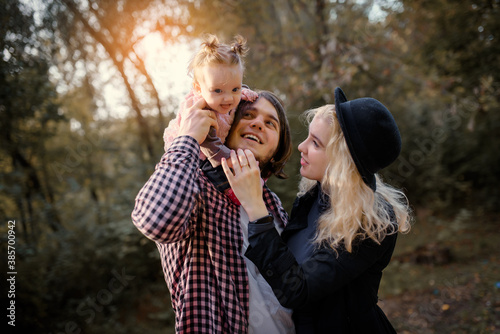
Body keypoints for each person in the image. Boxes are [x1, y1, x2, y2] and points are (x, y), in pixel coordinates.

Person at [222, 87, 413, 333]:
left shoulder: (371, 223)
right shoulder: (315, 197)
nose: (301, 147)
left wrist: (256, 208)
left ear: (341, 162)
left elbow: (296, 290)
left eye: (315, 143)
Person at [131, 91, 295, 333]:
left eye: (270, 123)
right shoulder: (194, 185)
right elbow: (155, 221)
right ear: (226, 125)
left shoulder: (273, 205)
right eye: (248, 115)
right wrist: (187, 138)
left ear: (278, 147)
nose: (258, 123)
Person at [163, 33, 258, 168]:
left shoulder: (224, 94)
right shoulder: (203, 113)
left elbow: (236, 88)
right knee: (213, 173)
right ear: (199, 89)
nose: (229, 98)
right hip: (197, 154)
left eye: (235, 89)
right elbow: (212, 148)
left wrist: (243, 92)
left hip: (217, 143)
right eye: (218, 91)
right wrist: (233, 160)